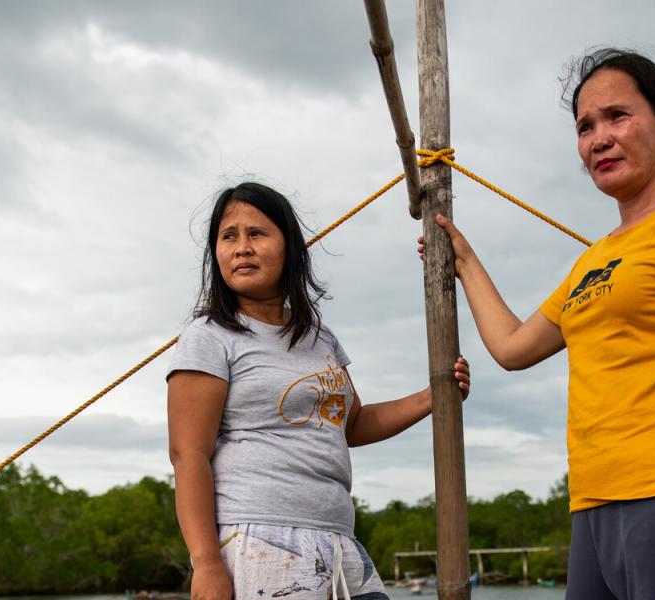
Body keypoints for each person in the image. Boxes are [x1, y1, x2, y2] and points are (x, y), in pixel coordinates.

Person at [423, 48, 655, 600]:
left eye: (617, 116)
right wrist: (463, 262)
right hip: (593, 504)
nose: (598, 138)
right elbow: (513, 347)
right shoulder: (594, 259)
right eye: (585, 127)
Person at [168, 182, 470, 600]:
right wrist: (205, 564)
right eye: (228, 236)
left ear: (290, 247)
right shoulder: (209, 336)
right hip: (259, 535)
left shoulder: (318, 337)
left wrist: (433, 397)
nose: (242, 248)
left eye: (256, 233)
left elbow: (353, 424)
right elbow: (188, 455)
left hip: (338, 534)